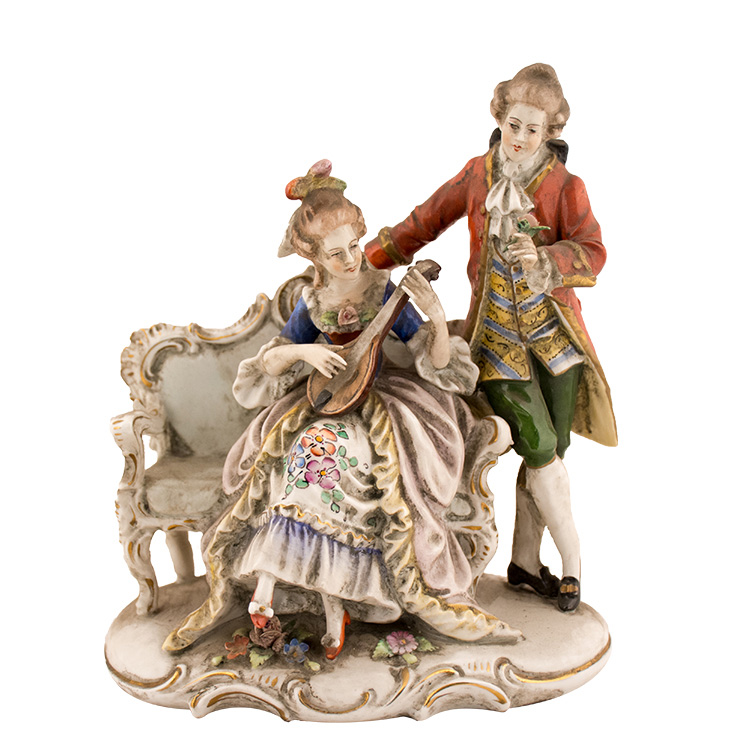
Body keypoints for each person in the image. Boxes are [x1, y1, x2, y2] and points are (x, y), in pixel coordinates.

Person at [163, 160, 520, 658]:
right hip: (326, 399)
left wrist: (437, 318)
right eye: (336, 253)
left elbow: (437, 362)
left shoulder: (382, 289)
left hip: (382, 404)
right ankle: (302, 594)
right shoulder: (314, 301)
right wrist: (305, 353)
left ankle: (338, 596)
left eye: (355, 245)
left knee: (337, 464)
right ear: (313, 257)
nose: (352, 259)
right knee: (300, 460)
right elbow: (269, 362)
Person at [364, 64, 617, 612]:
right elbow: (423, 221)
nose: (519, 137)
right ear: (499, 117)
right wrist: (367, 262)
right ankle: (574, 564)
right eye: (512, 124)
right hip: (497, 342)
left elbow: (593, 252)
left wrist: (548, 259)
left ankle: (524, 564)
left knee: (549, 455)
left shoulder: (566, 187)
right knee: (541, 446)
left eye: (532, 128)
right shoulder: (477, 176)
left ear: (551, 131)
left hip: (556, 342)